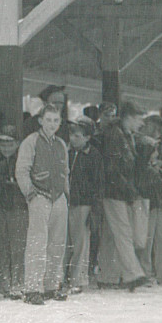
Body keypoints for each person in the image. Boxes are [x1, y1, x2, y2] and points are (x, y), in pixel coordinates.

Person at [16, 105, 70, 305]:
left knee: (57, 243)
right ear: (41, 120)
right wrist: (30, 193)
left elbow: (66, 171)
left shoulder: (61, 144)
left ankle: (51, 285)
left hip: (58, 198)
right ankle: (32, 288)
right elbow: (22, 170)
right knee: (37, 242)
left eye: (56, 120)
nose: (52, 124)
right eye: (48, 120)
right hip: (40, 195)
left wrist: (65, 194)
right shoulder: (30, 142)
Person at [95, 101, 151, 291]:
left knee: (113, 234)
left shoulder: (122, 134)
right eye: (138, 119)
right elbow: (114, 168)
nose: (141, 123)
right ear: (128, 118)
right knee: (123, 232)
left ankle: (108, 275)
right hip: (116, 191)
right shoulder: (116, 136)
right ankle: (132, 273)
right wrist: (128, 189)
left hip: (117, 190)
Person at [0, 124, 27, 299]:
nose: (6, 148)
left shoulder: (24, 159)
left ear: (17, 143)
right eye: (2, 144)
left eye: (10, 143)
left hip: (19, 208)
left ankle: (18, 283)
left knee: (18, 247)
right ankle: (0, 283)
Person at [65, 116, 103, 294]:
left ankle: (78, 278)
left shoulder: (93, 155)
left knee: (80, 243)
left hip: (83, 203)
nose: (73, 139)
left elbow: (98, 184)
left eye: (78, 136)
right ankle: (62, 276)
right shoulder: (67, 152)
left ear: (88, 137)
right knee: (65, 241)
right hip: (66, 201)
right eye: (72, 135)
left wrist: (95, 209)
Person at [136, 116, 162, 285]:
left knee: (160, 242)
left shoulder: (154, 169)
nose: (157, 153)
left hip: (157, 208)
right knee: (148, 242)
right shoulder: (147, 171)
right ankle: (149, 273)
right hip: (150, 208)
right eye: (154, 151)